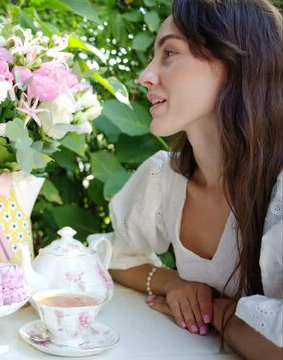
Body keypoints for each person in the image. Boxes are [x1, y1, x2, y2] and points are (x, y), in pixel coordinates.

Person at [87, 0, 282, 359]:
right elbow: (113, 253)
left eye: (170, 53)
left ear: (233, 63)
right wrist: (174, 283)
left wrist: (218, 310)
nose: (145, 75)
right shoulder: (167, 177)